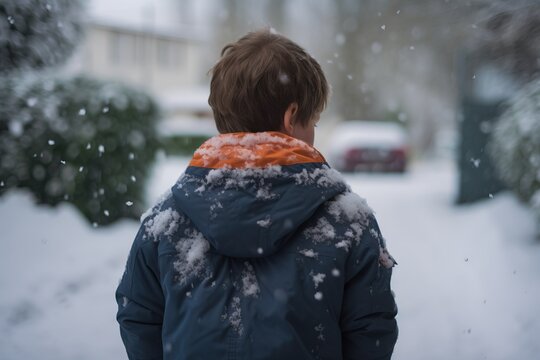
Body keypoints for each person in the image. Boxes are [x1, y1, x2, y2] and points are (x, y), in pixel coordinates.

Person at [116, 28, 398, 360]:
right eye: (314, 123)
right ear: (291, 117)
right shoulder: (348, 220)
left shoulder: (167, 218)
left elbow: (138, 317)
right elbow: (370, 332)